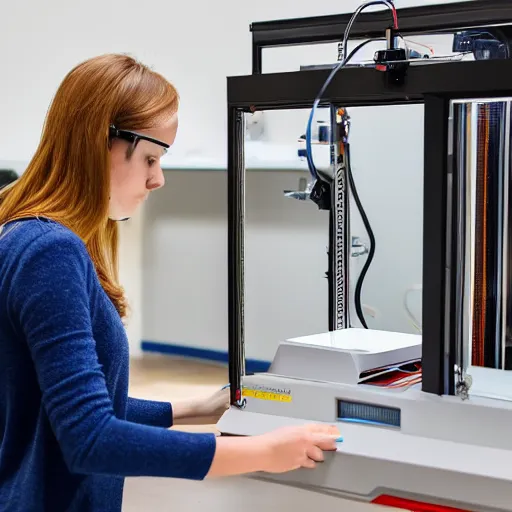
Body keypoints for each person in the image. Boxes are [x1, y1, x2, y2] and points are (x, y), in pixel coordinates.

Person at [0, 53, 340, 512]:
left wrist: (197, 409)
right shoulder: (51, 253)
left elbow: (60, 406)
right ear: (99, 142)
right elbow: (89, 438)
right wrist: (265, 451)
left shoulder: (22, 233)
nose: (158, 179)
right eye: (150, 158)